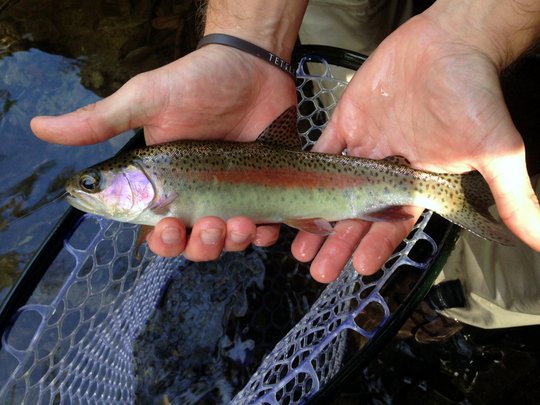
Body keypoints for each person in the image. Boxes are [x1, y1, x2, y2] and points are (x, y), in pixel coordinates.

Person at [31, 0, 540, 284]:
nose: (86, 191)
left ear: (135, 183)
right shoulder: (161, 172)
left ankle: (465, 283)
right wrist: (247, 41)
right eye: (93, 185)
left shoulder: (163, 176)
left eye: (95, 184)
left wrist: (474, 28)